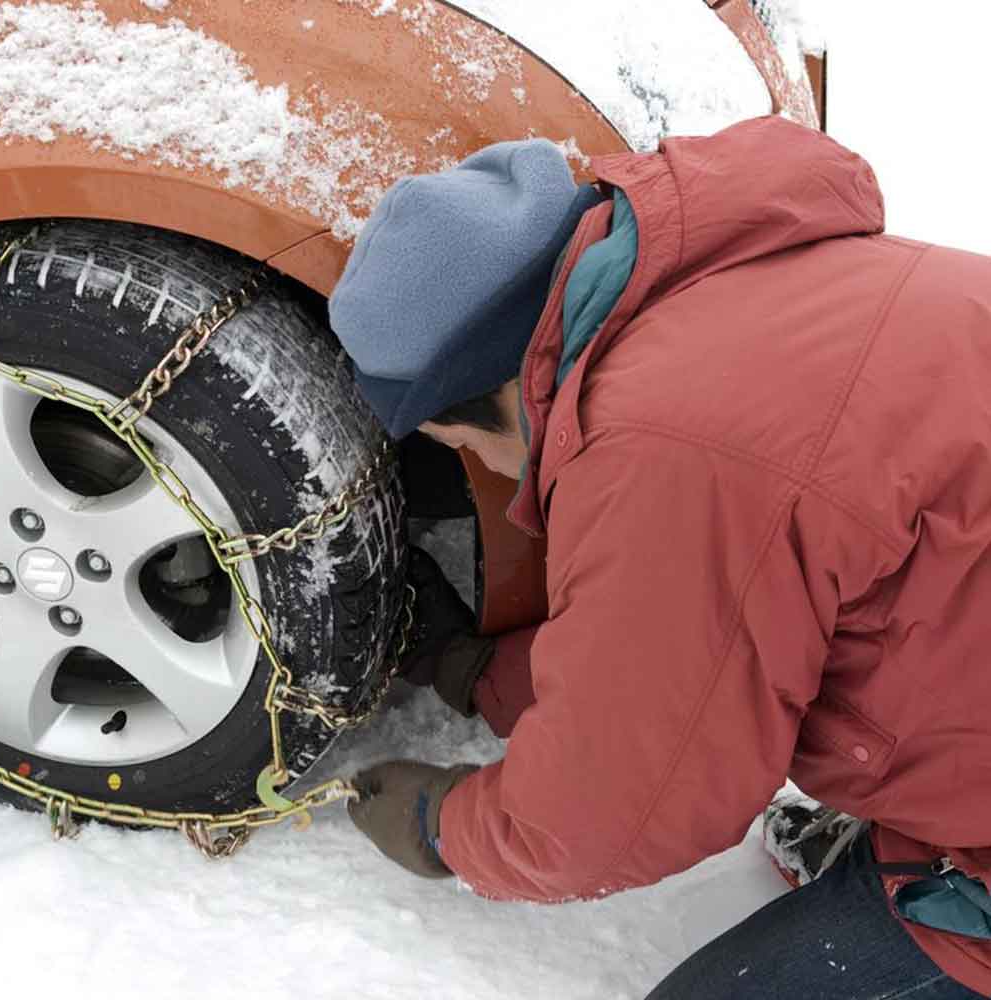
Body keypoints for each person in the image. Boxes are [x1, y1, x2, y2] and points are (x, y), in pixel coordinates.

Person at [327, 115, 991, 999]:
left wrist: (444, 824)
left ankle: (938, 882)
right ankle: (914, 844)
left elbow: (622, 809)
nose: (483, 470)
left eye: (462, 449)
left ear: (466, 408)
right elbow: (696, 642)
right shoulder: (755, 277)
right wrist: (483, 677)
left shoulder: (663, 447)